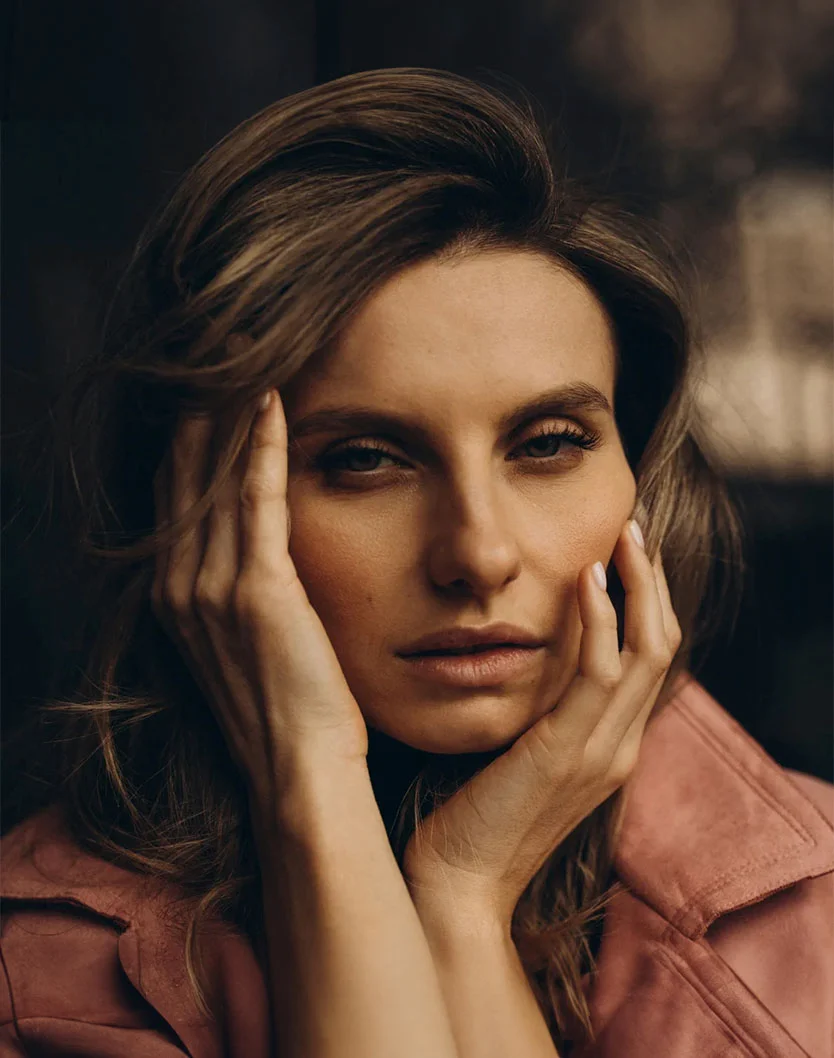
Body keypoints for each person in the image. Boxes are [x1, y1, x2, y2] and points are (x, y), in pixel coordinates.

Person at [1, 67, 831, 1058]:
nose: (477, 551)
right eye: (364, 461)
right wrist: (311, 777)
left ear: (639, 478)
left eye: (549, 442)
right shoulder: (35, 979)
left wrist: (463, 897)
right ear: (203, 510)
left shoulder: (818, 916)